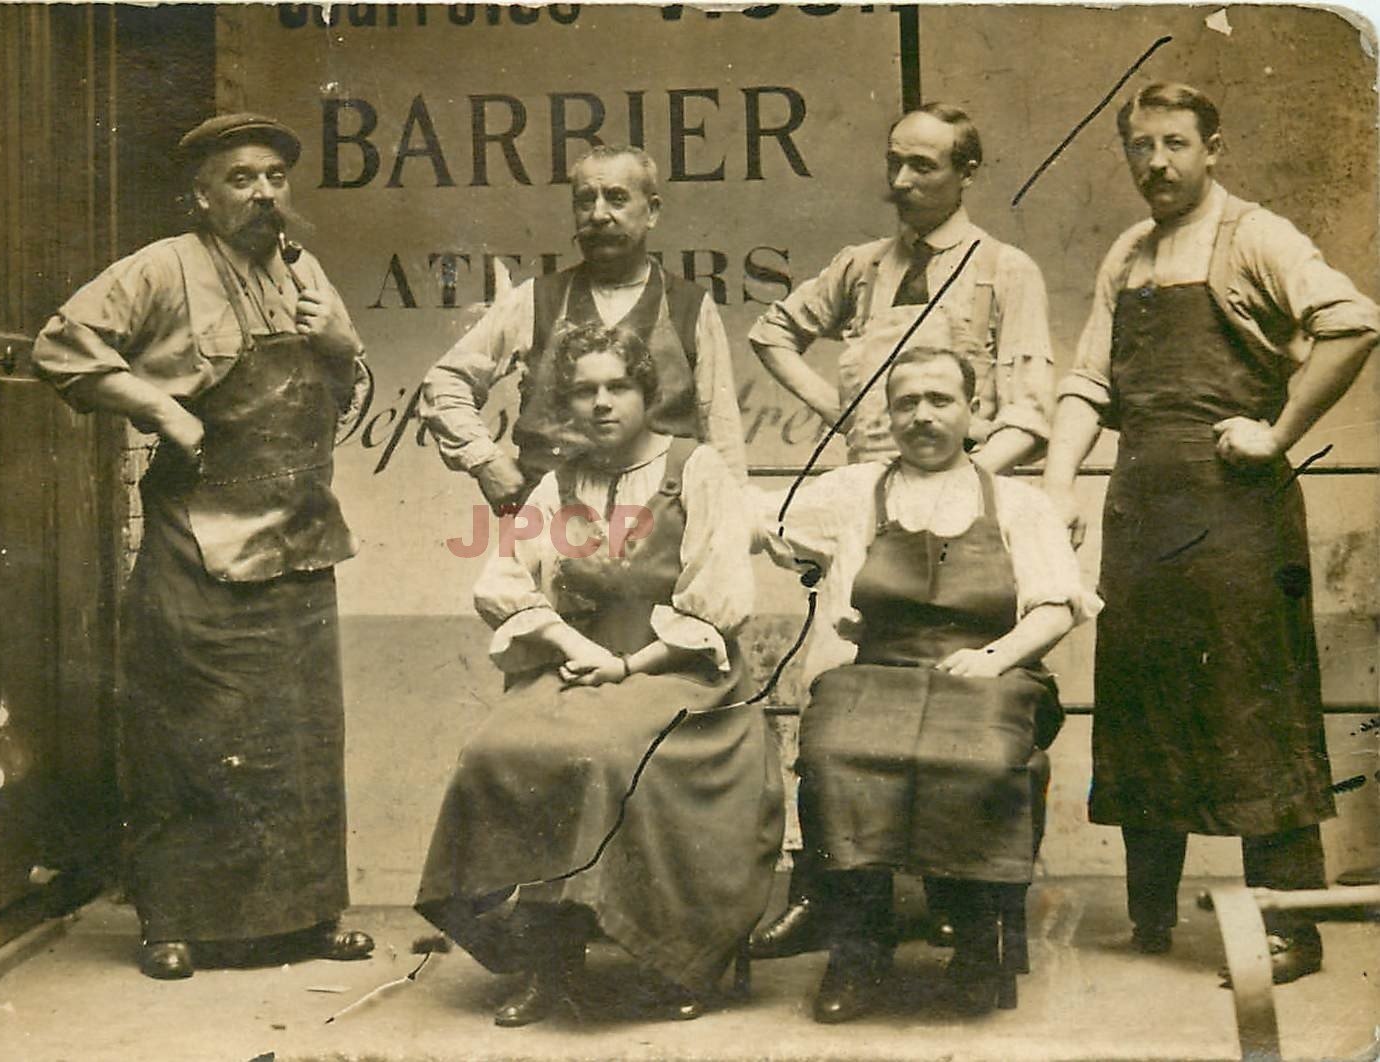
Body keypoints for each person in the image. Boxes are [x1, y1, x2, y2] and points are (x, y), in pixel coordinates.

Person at [1042, 82, 1380, 984]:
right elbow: (1087, 382)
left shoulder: (1255, 237)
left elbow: (1352, 323)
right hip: (1143, 516)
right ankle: (1150, 917)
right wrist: (1058, 481)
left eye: (1176, 143)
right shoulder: (1128, 254)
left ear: (1212, 147)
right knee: (1146, 702)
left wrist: (1275, 434)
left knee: (1252, 705)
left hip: (1238, 521)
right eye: (1142, 145)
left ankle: (1289, 932)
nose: (1157, 162)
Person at [31, 113, 376, 980]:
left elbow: (343, 400)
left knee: (300, 737)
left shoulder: (305, 271)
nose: (263, 194)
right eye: (240, 179)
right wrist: (159, 406)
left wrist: (340, 347)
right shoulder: (161, 267)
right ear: (201, 194)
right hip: (199, 542)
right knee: (190, 732)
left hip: (300, 536)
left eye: (274, 178)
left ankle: (307, 915)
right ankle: (174, 920)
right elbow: (60, 350)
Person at [746, 101, 1057, 959]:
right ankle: (834, 891)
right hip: (866, 503)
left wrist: (965, 478)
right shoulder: (859, 266)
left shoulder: (1005, 270)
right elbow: (770, 332)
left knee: (956, 711)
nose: (903, 181)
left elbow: (1030, 408)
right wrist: (842, 416)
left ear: (967, 172)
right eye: (895, 163)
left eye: (924, 165)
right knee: (832, 684)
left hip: (966, 502)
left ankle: (962, 892)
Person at [416, 323, 782, 1027]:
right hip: (581, 663)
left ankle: (671, 952)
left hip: (681, 671)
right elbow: (501, 582)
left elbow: (720, 604)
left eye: (618, 386)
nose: (602, 403)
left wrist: (628, 662)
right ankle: (548, 963)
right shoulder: (559, 482)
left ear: (649, 393)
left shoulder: (697, 471)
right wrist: (563, 640)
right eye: (584, 391)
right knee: (495, 750)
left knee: (605, 757)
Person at [754, 346, 1098, 1022]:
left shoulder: (1017, 503)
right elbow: (763, 516)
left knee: (979, 760)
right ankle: (858, 950)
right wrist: (806, 568)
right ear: (888, 415)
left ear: (973, 412)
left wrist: (996, 657)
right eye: (906, 401)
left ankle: (975, 950)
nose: (922, 415)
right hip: (877, 671)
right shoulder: (856, 491)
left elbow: (1058, 605)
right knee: (829, 758)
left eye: (939, 399)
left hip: (988, 675)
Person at [419, 145, 746, 515]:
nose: (599, 214)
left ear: (652, 211)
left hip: (663, 535)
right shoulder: (536, 299)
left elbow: (723, 438)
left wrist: (731, 526)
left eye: (617, 199)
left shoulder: (691, 307)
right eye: (585, 201)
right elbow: (446, 382)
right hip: (549, 525)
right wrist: (485, 461)